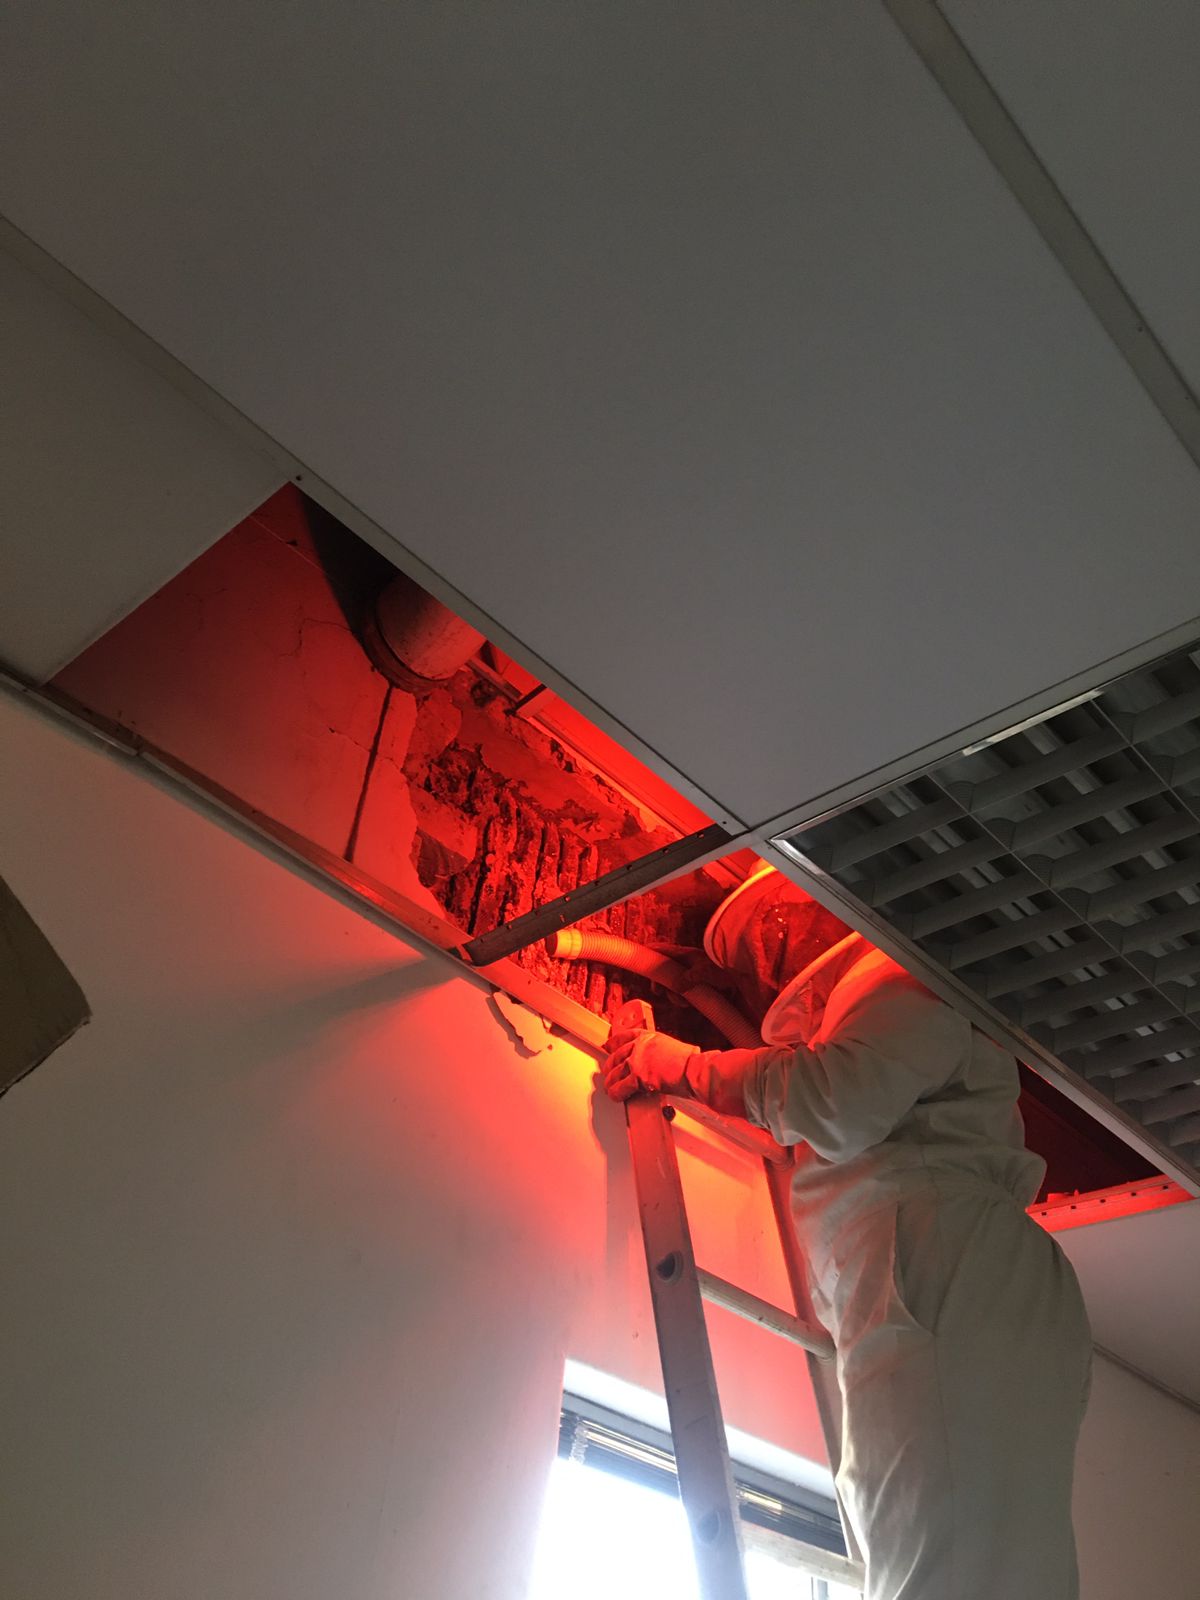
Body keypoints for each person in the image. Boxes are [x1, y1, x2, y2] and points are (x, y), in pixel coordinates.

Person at [601, 890, 1092, 1600]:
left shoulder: (894, 971)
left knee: (932, 1543)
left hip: (936, 1249)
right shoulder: (884, 1008)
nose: (769, 953)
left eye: (773, 931)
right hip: (960, 1262)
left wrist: (676, 1064)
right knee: (972, 1545)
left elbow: (837, 1098)